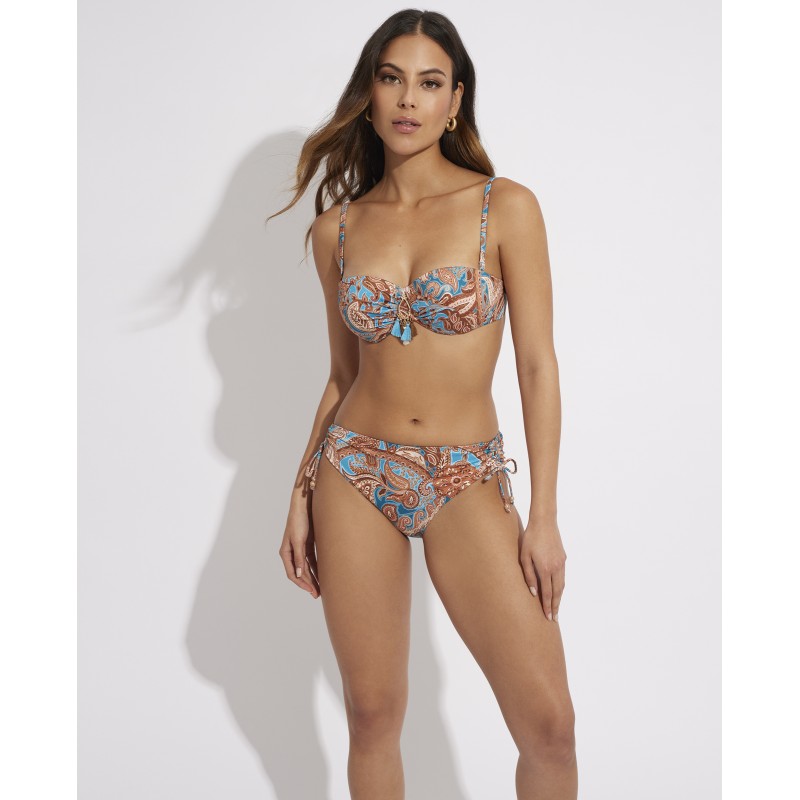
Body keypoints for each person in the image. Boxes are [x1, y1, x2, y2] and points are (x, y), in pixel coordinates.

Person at [272, 9, 577, 799]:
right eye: (392, 78)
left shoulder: (504, 207)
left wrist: (543, 516)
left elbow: (537, 367)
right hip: (353, 473)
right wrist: (300, 492)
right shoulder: (337, 230)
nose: (409, 99)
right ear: (369, 94)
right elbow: (342, 376)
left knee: (548, 728)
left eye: (430, 82)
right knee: (372, 716)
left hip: (465, 476)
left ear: (455, 100)